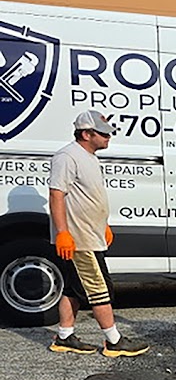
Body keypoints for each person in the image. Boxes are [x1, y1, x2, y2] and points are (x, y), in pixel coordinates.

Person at [47, 110, 150, 357]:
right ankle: (113, 341)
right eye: (103, 134)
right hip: (79, 238)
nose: (108, 138)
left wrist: (102, 224)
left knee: (74, 288)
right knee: (98, 287)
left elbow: (88, 196)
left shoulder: (89, 157)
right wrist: (63, 233)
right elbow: (56, 194)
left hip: (90, 233)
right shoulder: (67, 156)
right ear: (86, 133)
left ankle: (64, 337)